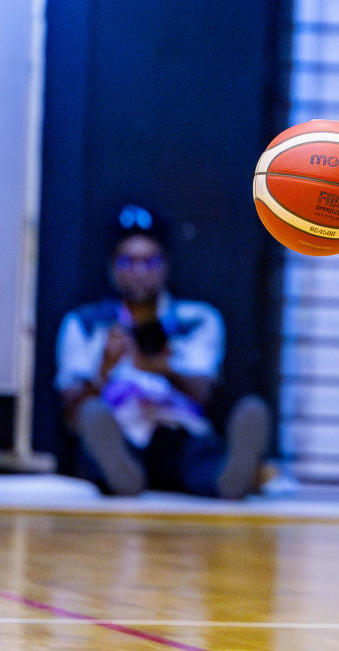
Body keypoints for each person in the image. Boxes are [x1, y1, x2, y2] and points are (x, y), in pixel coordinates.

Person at [55, 204, 271, 500]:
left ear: (166, 264)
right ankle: (122, 479)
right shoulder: (85, 323)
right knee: (97, 442)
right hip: (122, 430)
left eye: (150, 262)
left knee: (202, 459)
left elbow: (204, 396)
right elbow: (72, 414)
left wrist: (160, 366)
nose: (139, 273)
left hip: (180, 431)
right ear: (111, 266)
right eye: (127, 262)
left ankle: (230, 478)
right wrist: (104, 368)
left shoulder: (196, 320)